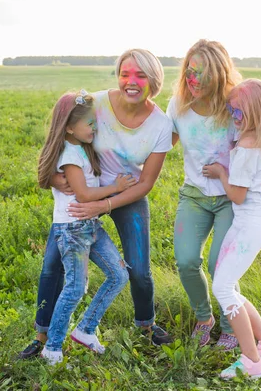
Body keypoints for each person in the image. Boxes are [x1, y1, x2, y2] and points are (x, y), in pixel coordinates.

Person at [18, 49, 173, 360]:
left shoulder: (160, 125)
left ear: (154, 80)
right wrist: (51, 176)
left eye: (140, 75)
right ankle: (42, 337)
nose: (131, 81)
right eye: (125, 73)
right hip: (80, 199)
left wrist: (106, 203)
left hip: (125, 194)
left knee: (138, 269)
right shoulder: (97, 104)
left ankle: (145, 325)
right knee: (51, 267)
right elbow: (60, 135)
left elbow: (146, 183)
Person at [166, 40, 261, 351]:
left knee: (220, 265)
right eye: (190, 71)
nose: (194, 80)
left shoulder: (235, 104)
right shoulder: (178, 106)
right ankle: (205, 319)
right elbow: (161, 144)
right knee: (186, 261)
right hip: (194, 196)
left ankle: (231, 327)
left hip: (231, 200)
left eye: (203, 73)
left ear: (220, 74)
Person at [202, 79, 261, 379]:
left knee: (223, 288)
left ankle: (252, 361)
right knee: (228, 286)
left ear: (253, 112)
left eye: (237, 112)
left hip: (250, 223)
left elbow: (238, 195)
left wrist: (220, 172)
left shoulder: (247, 145)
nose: (233, 118)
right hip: (257, 222)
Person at [35, 90, 133, 365]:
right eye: (89, 123)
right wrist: (116, 189)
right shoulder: (69, 154)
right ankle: (52, 347)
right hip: (73, 229)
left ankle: (86, 329)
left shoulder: (80, 148)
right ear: (68, 127)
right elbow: (84, 195)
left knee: (119, 274)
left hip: (89, 226)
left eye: (94, 122)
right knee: (75, 288)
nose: (94, 127)